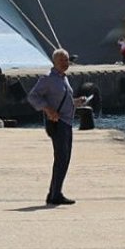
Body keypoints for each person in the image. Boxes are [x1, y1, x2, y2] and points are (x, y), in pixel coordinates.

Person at [26, 48, 87, 206]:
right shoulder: (47, 78)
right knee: (61, 158)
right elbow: (33, 96)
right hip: (57, 123)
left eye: (67, 60)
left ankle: (54, 192)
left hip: (66, 122)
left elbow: (62, 100)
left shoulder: (63, 78)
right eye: (62, 60)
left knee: (64, 159)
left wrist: (76, 102)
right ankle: (55, 194)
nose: (65, 63)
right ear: (54, 62)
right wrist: (47, 109)